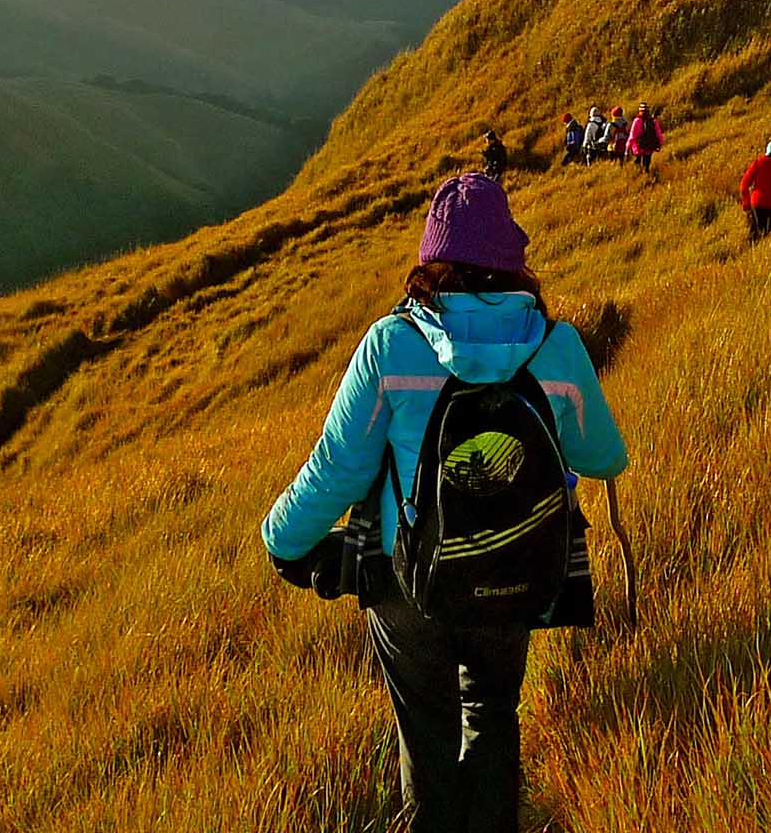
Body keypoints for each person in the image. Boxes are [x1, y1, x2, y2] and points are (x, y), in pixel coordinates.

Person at [261, 173, 628, 833]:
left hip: (408, 581)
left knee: (425, 728)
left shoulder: (391, 344)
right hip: (518, 566)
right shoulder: (557, 346)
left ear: (433, 260)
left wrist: (280, 538)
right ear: (512, 261)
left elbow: (337, 472)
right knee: (492, 708)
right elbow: (603, 458)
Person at [738, 140, 771, 241]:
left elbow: (744, 184)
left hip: (757, 203)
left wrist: (746, 203)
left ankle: (750, 250)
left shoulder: (757, 164)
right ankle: (756, 250)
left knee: (755, 231)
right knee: (766, 231)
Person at [626, 102, 664, 174]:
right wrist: (660, 144)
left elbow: (632, 135)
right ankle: (646, 174)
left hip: (638, 147)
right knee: (646, 163)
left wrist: (627, 147)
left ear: (640, 111)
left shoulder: (637, 120)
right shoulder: (653, 121)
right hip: (649, 147)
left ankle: (639, 176)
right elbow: (659, 134)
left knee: (637, 163)